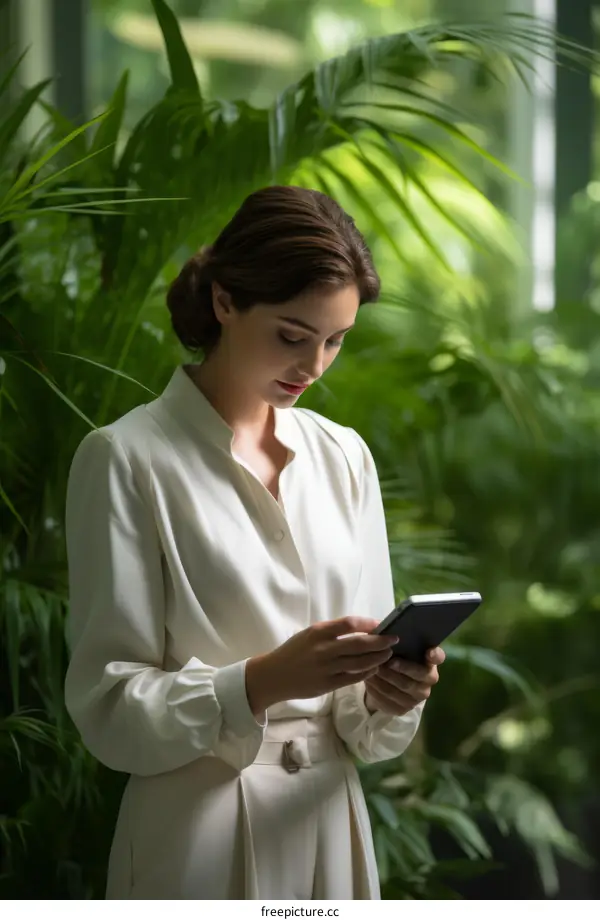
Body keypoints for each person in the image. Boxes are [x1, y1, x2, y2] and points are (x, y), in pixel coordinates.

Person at [64, 185, 445, 900]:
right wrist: (261, 681)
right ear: (226, 302)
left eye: (335, 340)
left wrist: (394, 692)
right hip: (196, 836)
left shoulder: (345, 457)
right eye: (292, 335)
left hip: (330, 823)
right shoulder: (125, 459)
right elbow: (109, 712)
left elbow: (364, 731)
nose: (314, 366)